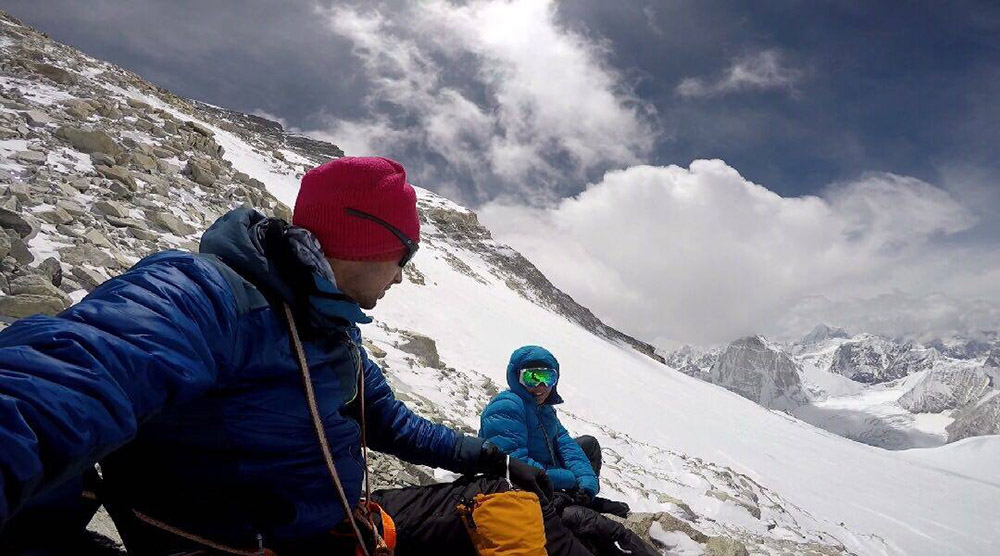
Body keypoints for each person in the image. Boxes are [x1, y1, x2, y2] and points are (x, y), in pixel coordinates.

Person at [0, 157, 592, 555]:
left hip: (338, 524)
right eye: (403, 257)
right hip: (262, 542)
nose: (401, 277)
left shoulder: (329, 326)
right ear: (364, 243)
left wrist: (492, 457)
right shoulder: (207, 294)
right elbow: (59, 381)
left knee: (512, 505)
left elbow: (388, 423)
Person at [480, 346, 658, 556]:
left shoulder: (543, 409)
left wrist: (586, 482)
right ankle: (574, 509)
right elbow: (515, 466)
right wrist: (570, 479)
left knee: (587, 445)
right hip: (518, 492)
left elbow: (566, 445)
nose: (541, 386)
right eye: (531, 377)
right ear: (516, 376)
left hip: (547, 486)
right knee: (604, 529)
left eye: (548, 377)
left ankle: (580, 500)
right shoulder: (507, 407)